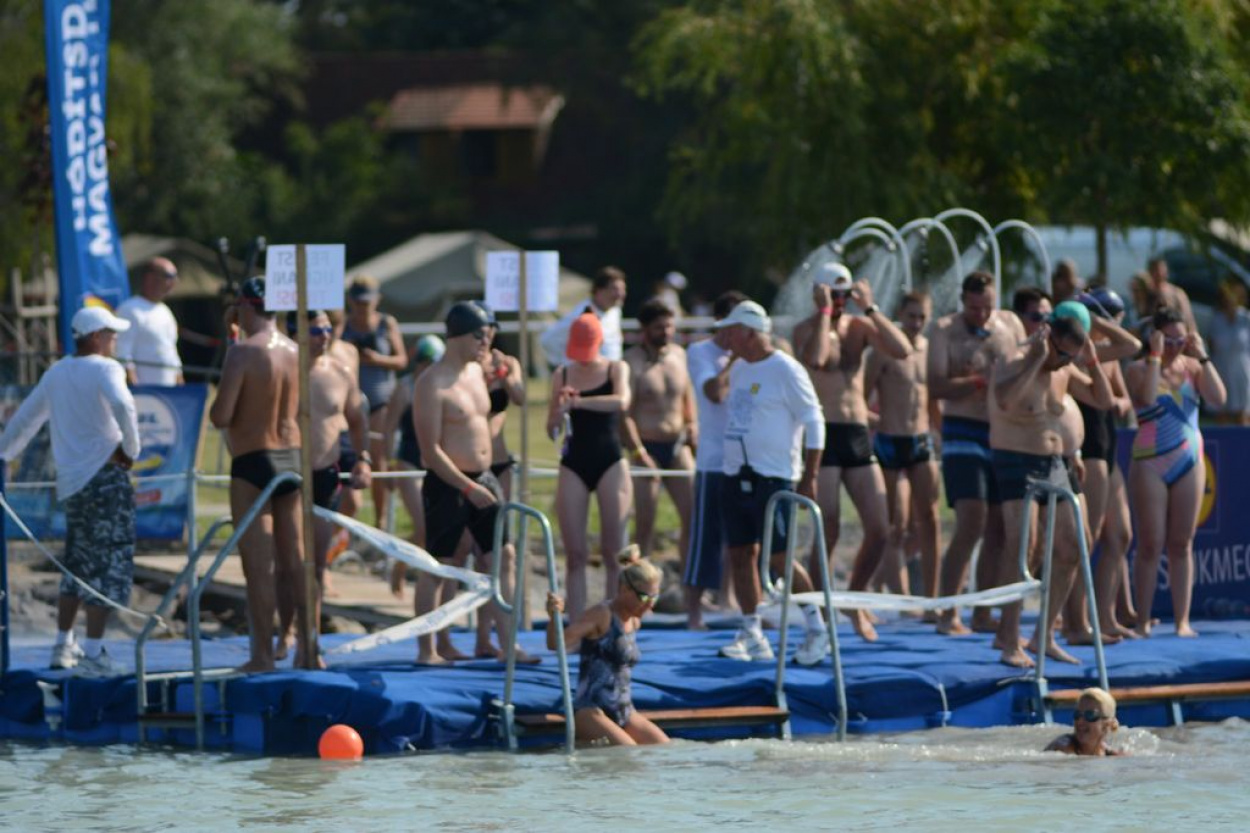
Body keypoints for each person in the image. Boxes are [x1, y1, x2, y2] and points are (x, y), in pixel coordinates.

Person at [0, 306, 140, 675]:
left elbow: (27, 418)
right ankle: (93, 653)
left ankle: (63, 645)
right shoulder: (107, 368)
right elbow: (124, 404)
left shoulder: (56, 372)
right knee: (107, 563)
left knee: (76, 561)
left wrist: (4, 453)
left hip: (73, 483)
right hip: (107, 478)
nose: (114, 340)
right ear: (95, 336)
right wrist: (132, 449)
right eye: (110, 333)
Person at [989, 301, 1112, 667]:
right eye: (1063, 355)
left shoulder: (1066, 367)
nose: (1063, 363)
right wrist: (1036, 359)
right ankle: (1009, 638)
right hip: (1017, 458)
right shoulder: (1016, 359)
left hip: (1057, 463)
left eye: (1070, 357)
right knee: (1024, 544)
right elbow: (1005, 400)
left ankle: (1044, 635)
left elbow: (1104, 401)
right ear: (1048, 337)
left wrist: (1088, 359)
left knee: (1077, 544)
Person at [792, 263, 911, 641]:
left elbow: (902, 349)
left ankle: (854, 600)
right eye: (834, 295)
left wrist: (871, 308)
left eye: (844, 296)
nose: (841, 302)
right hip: (823, 434)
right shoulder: (807, 330)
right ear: (821, 293)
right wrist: (826, 312)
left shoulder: (861, 328)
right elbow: (815, 358)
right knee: (826, 528)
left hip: (857, 431)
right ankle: (823, 611)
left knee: (880, 528)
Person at [414, 301, 529, 663]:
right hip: (449, 483)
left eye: (490, 334)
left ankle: (508, 644)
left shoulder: (477, 373)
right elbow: (430, 451)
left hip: (486, 476)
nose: (488, 341)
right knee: (440, 566)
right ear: (459, 335)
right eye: (481, 335)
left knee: (503, 557)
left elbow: (499, 412)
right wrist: (466, 487)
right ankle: (429, 648)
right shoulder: (431, 382)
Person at [717, 301, 830, 664]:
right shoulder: (738, 370)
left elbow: (814, 421)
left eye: (732, 330)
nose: (726, 336)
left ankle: (818, 629)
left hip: (774, 476)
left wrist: (810, 475)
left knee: (780, 557)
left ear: (750, 333)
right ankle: (752, 630)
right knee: (739, 554)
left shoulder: (785, 369)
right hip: (737, 474)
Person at [208, 277, 311, 672]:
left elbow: (221, 415)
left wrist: (231, 342)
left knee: (259, 568)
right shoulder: (296, 351)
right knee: (297, 562)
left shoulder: (243, 353)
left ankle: (262, 656)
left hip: (254, 460)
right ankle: (308, 650)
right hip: (292, 458)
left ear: (246, 309)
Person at [927, 272, 1025, 635]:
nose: (982, 315)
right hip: (962, 429)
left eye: (987, 307)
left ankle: (983, 611)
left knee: (1000, 525)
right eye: (974, 308)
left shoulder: (1010, 324)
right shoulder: (944, 329)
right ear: (962, 302)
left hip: (1001, 431)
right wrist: (976, 382)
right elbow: (935, 384)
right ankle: (947, 611)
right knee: (972, 520)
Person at [273, 310, 373, 660]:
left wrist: (363, 459)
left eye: (328, 329)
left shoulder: (340, 372)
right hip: (287, 474)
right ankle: (285, 630)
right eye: (316, 330)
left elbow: (358, 421)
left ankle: (308, 639)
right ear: (296, 333)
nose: (324, 336)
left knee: (313, 564)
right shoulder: (281, 370)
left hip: (324, 471)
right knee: (287, 564)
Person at [1126, 307, 1226, 638]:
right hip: (1151, 460)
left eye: (1179, 340)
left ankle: (1182, 620)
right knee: (1151, 543)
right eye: (1167, 339)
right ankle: (1142, 620)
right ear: (1154, 337)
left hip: (1188, 459)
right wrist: (1155, 354)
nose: (1174, 347)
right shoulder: (1140, 368)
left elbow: (1218, 399)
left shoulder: (1193, 368)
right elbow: (1146, 395)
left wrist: (1204, 356)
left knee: (1182, 543)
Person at [548, 313, 633, 619]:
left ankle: (613, 623)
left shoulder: (616, 368)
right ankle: (574, 625)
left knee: (615, 553)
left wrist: (580, 402)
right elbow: (551, 428)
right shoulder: (563, 374)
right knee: (575, 555)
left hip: (610, 459)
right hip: (575, 462)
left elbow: (622, 401)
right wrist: (559, 410)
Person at [545, 545, 669, 746]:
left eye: (655, 597)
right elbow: (555, 644)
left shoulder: (634, 621)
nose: (650, 605)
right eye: (645, 597)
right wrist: (554, 617)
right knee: (628, 753)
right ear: (625, 589)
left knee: (665, 749)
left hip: (625, 711)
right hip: (591, 710)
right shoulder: (602, 615)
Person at [1072, 289, 1142, 641]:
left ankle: (1105, 616)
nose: (1118, 325)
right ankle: (1076, 622)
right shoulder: (1080, 351)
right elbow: (1132, 345)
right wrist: (1094, 319)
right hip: (1087, 450)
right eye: (1114, 318)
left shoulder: (1105, 356)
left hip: (1107, 444)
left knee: (1121, 535)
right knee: (1087, 537)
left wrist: (1118, 400)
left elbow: (1129, 353)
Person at [864, 292, 941, 601]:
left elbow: (931, 398)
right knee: (895, 524)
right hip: (890, 440)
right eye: (912, 316)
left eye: (922, 317)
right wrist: (876, 423)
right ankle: (903, 598)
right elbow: (859, 397)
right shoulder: (883, 351)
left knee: (929, 521)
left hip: (921, 440)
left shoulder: (929, 349)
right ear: (900, 314)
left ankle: (932, 598)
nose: (917, 323)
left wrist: (941, 430)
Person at [682, 290, 746, 629]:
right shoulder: (699, 352)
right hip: (712, 459)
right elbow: (714, 393)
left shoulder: (750, 355)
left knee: (742, 536)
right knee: (705, 538)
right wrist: (736, 357)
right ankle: (693, 611)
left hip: (745, 457)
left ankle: (730, 599)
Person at [623, 300, 696, 572]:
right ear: (645, 330)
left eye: (669, 326)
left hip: (677, 445)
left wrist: (693, 424)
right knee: (645, 523)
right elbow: (625, 413)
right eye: (659, 327)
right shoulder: (632, 362)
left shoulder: (678, 355)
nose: (665, 332)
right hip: (646, 446)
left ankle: (690, 585)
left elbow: (687, 395)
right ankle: (641, 588)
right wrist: (638, 451)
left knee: (692, 515)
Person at [382, 335, 446, 601]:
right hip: (408, 461)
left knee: (430, 529)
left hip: (435, 463)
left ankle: (402, 564)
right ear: (420, 362)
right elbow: (389, 430)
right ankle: (405, 569)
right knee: (424, 526)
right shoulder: (405, 389)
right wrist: (387, 467)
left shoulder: (440, 386)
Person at [341, 275, 407, 532]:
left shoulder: (386, 324)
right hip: (353, 401)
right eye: (358, 302)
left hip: (381, 400)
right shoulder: (344, 327)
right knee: (352, 458)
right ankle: (348, 521)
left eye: (366, 302)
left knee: (377, 460)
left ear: (377, 300)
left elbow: (401, 360)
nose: (362, 308)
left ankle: (380, 521)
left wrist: (376, 359)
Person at [116, 257, 183, 386]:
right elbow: (123, 355)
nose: (175, 281)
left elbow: (172, 354)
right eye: (169, 276)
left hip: (167, 398)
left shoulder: (165, 311)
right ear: (150, 277)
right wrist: (138, 393)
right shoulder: (129, 309)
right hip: (145, 396)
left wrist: (180, 386)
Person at [540, 266, 627, 365]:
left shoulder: (615, 310)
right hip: (587, 377)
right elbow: (548, 340)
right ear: (599, 290)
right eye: (614, 289)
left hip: (611, 374)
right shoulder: (580, 316)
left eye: (623, 289)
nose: (621, 294)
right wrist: (568, 363)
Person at [1206, 279, 1250, 426]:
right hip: (1221, 371)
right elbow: (1212, 346)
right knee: (1221, 415)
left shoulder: (1246, 319)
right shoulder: (1216, 320)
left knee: (1242, 415)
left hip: (1242, 372)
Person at [1045, 687, 1123, 756]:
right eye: (1077, 715)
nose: (1080, 721)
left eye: (1090, 715)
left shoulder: (1108, 753)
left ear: (1108, 724)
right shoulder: (1064, 747)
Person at [1146, 256, 1197, 334]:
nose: (1159, 273)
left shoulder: (1177, 293)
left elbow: (1188, 320)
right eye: (1155, 270)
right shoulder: (1146, 293)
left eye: (1161, 270)